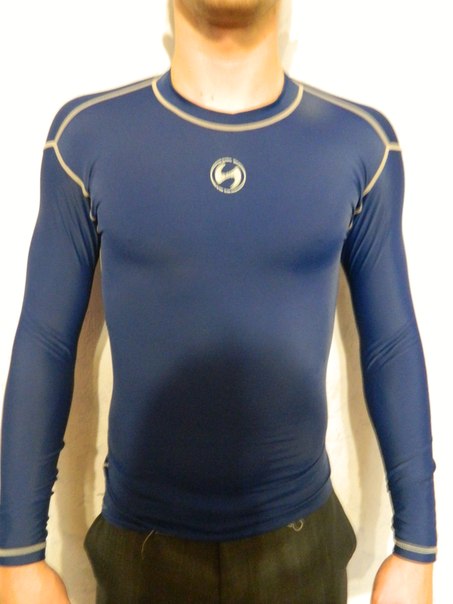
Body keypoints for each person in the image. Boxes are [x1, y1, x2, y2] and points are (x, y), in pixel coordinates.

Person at [0, 0, 436, 602]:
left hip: (302, 550)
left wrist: (417, 547)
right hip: (140, 551)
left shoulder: (360, 144)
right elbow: (45, 341)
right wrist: (17, 555)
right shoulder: (88, 137)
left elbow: (391, 343)